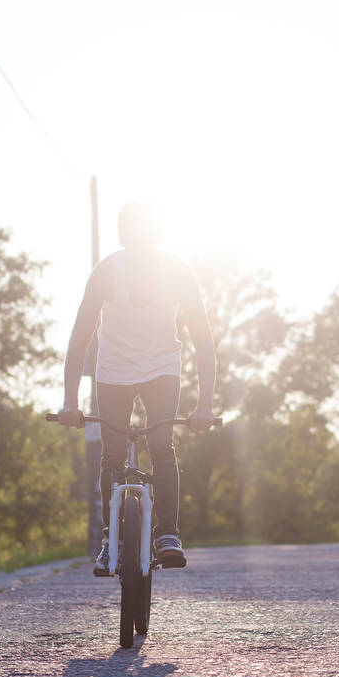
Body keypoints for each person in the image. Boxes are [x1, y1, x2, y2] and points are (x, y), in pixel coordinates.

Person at [57, 202, 217, 573]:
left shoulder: (177, 272)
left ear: (158, 236)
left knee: (161, 445)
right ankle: (111, 540)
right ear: (123, 237)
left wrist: (205, 405)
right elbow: (79, 339)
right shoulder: (106, 273)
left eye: (146, 235)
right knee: (112, 457)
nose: (140, 243)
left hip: (162, 367)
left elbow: (203, 340)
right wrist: (69, 401)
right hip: (113, 369)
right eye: (132, 236)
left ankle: (168, 534)